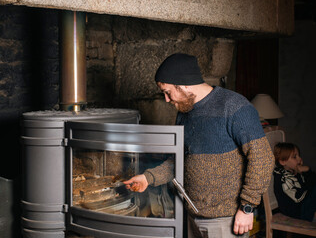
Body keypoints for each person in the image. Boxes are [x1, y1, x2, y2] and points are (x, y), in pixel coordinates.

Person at [123, 53, 275, 237]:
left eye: (167, 92)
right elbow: (179, 161)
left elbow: (262, 159)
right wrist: (148, 178)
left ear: (184, 85)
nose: (167, 100)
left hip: (226, 219)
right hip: (192, 215)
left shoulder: (235, 107)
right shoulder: (184, 111)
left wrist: (247, 208)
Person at [273, 142, 316, 222]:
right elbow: (298, 198)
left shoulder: (294, 171)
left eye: (299, 155)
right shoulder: (283, 178)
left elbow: (311, 182)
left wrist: (307, 170)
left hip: (304, 207)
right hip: (298, 212)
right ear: (283, 161)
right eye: (295, 157)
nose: (299, 159)